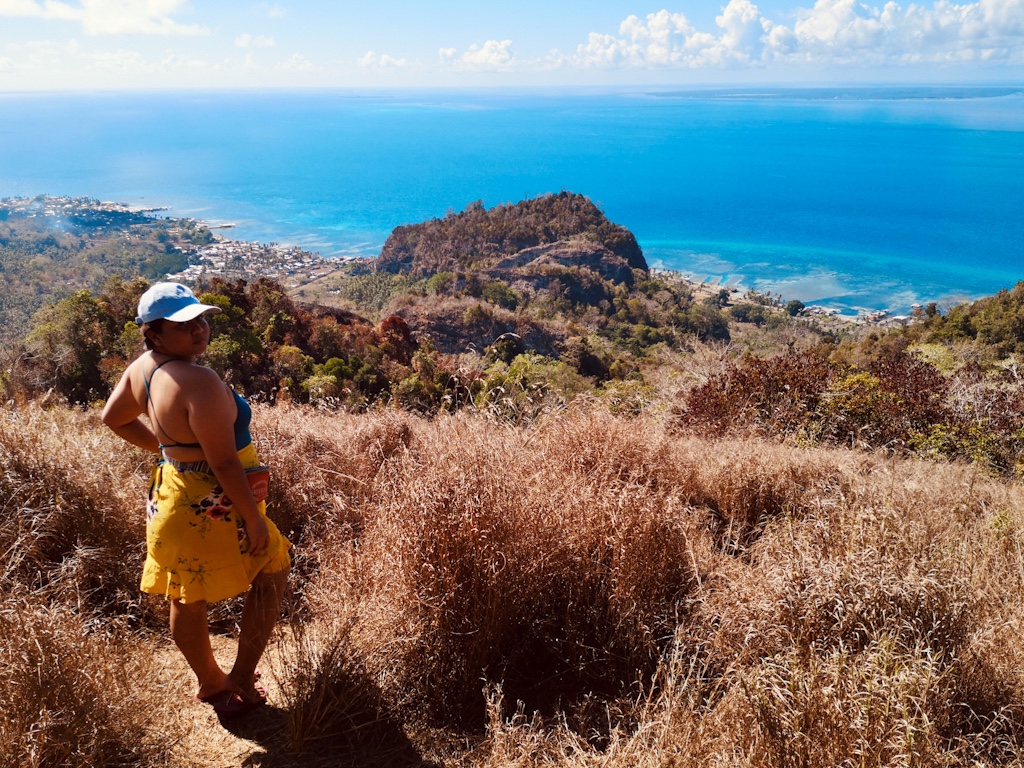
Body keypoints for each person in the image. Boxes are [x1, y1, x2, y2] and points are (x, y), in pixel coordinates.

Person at [102, 282, 291, 719]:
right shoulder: (200, 380)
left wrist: (169, 452)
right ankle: (240, 676)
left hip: (173, 496)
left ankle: (213, 685)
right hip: (216, 503)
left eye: (200, 319)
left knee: (185, 593)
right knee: (274, 565)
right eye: (184, 324)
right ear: (154, 332)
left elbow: (113, 418)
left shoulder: (144, 369)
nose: (199, 329)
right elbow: (224, 462)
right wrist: (254, 520)